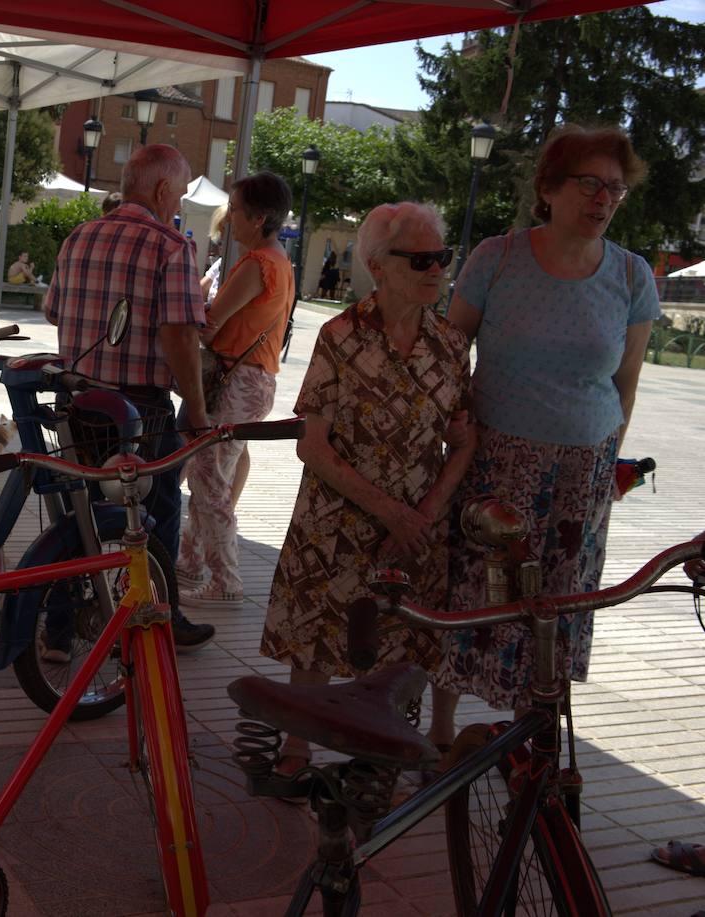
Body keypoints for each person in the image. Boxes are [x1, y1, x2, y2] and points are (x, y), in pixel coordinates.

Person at [434, 125, 660, 724]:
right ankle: (439, 731)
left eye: (615, 188)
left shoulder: (634, 277)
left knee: (557, 603)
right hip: (495, 465)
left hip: (581, 476)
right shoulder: (497, 257)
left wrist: (610, 460)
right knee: (477, 590)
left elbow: (627, 379)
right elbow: (451, 356)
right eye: (589, 183)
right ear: (549, 188)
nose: (603, 199)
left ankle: (532, 739)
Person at [260, 201, 477, 776]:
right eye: (423, 260)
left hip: (416, 523)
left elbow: (465, 441)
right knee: (315, 634)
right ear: (379, 265)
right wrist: (389, 511)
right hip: (339, 515)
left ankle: (390, 744)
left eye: (443, 258)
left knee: (407, 637)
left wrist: (424, 515)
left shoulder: (452, 345)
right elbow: (313, 443)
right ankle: (297, 745)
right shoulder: (340, 336)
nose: (437, 270)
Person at [45, 142, 216, 652]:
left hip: (77, 402)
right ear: (162, 189)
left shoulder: (79, 236)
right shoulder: (170, 245)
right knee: (155, 515)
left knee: (82, 515)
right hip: (139, 411)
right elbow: (181, 334)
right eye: (181, 192)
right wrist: (200, 412)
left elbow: (54, 311)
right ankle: (160, 617)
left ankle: (58, 627)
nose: (181, 203)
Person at [177, 172, 295, 609]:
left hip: (236, 382)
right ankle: (190, 561)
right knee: (213, 477)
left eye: (235, 212)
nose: (227, 222)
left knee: (209, 484)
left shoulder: (258, 263)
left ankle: (226, 580)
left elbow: (210, 325)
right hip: (253, 381)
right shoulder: (280, 261)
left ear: (259, 218)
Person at [199, 202, 231, 302]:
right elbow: (200, 289)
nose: (221, 236)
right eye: (220, 231)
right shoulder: (222, 261)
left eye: (225, 229)